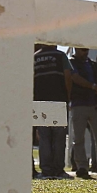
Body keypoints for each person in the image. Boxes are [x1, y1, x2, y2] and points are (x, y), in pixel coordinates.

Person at [68, 48, 97, 177]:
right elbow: (75, 78)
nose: (85, 52)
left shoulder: (92, 64)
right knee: (79, 138)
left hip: (94, 104)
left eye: (86, 50)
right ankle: (81, 166)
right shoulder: (71, 62)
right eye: (83, 50)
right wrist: (93, 86)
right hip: (79, 103)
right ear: (76, 49)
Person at [34, 44, 73, 178]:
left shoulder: (34, 57)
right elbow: (68, 76)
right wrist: (68, 97)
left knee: (44, 137)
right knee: (59, 137)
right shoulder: (60, 55)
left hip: (40, 102)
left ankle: (46, 170)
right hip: (58, 100)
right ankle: (58, 170)